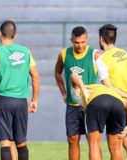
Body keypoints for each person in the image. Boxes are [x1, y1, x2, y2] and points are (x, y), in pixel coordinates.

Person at [0, 20, 40, 160]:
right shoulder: (25, 51)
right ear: (15, 35)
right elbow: (36, 77)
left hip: (3, 101)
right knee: (21, 142)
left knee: (5, 143)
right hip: (21, 101)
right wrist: (34, 100)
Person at [54, 26, 101, 160]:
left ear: (87, 40)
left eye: (83, 42)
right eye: (76, 42)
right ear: (71, 40)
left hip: (91, 105)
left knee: (93, 142)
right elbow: (57, 72)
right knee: (72, 139)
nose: (80, 45)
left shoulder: (95, 55)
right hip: (72, 105)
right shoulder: (64, 54)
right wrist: (63, 92)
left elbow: (107, 76)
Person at [96, 24, 127, 160]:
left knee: (115, 146)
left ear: (101, 39)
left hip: (115, 104)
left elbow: (108, 86)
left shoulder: (102, 59)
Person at [71, 73, 127, 160]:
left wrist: (83, 89)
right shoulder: (106, 89)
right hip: (118, 103)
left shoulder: (81, 89)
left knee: (94, 144)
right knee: (116, 147)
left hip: (97, 101)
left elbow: (73, 75)